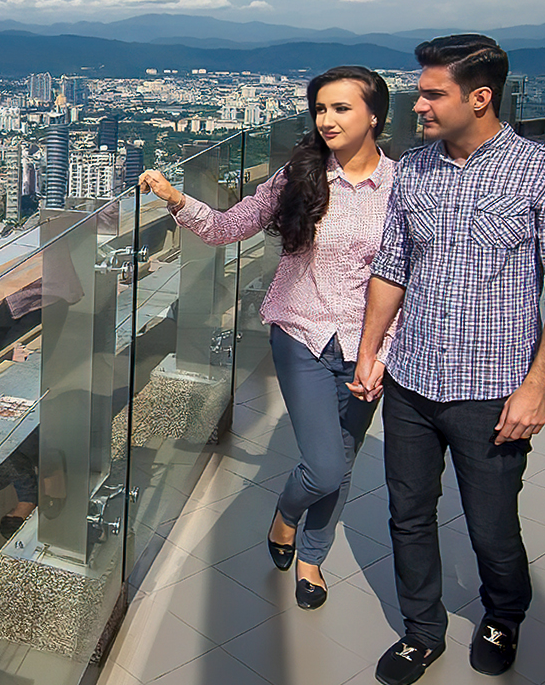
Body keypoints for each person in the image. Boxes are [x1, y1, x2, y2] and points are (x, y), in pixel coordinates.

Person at [351, 35, 545, 685]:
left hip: (493, 391)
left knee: (491, 527)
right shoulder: (415, 170)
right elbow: (392, 265)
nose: (419, 103)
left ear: (479, 97)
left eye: (433, 93)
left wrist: (537, 387)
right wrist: (372, 351)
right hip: (411, 381)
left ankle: (503, 613)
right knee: (407, 515)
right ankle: (421, 631)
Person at [140, 65, 395, 610]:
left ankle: (311, 558)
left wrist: (384, 350)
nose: (326, 120)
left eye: (341, 108)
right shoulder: (299, 176)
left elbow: (406, 276)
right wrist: (177, 199)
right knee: (325, 464)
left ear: (375, 115)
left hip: (367, 346)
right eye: (320, 109)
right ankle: (285, 515)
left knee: (342, 461)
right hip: (299, 332)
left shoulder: (402, 185)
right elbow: (232, 226)